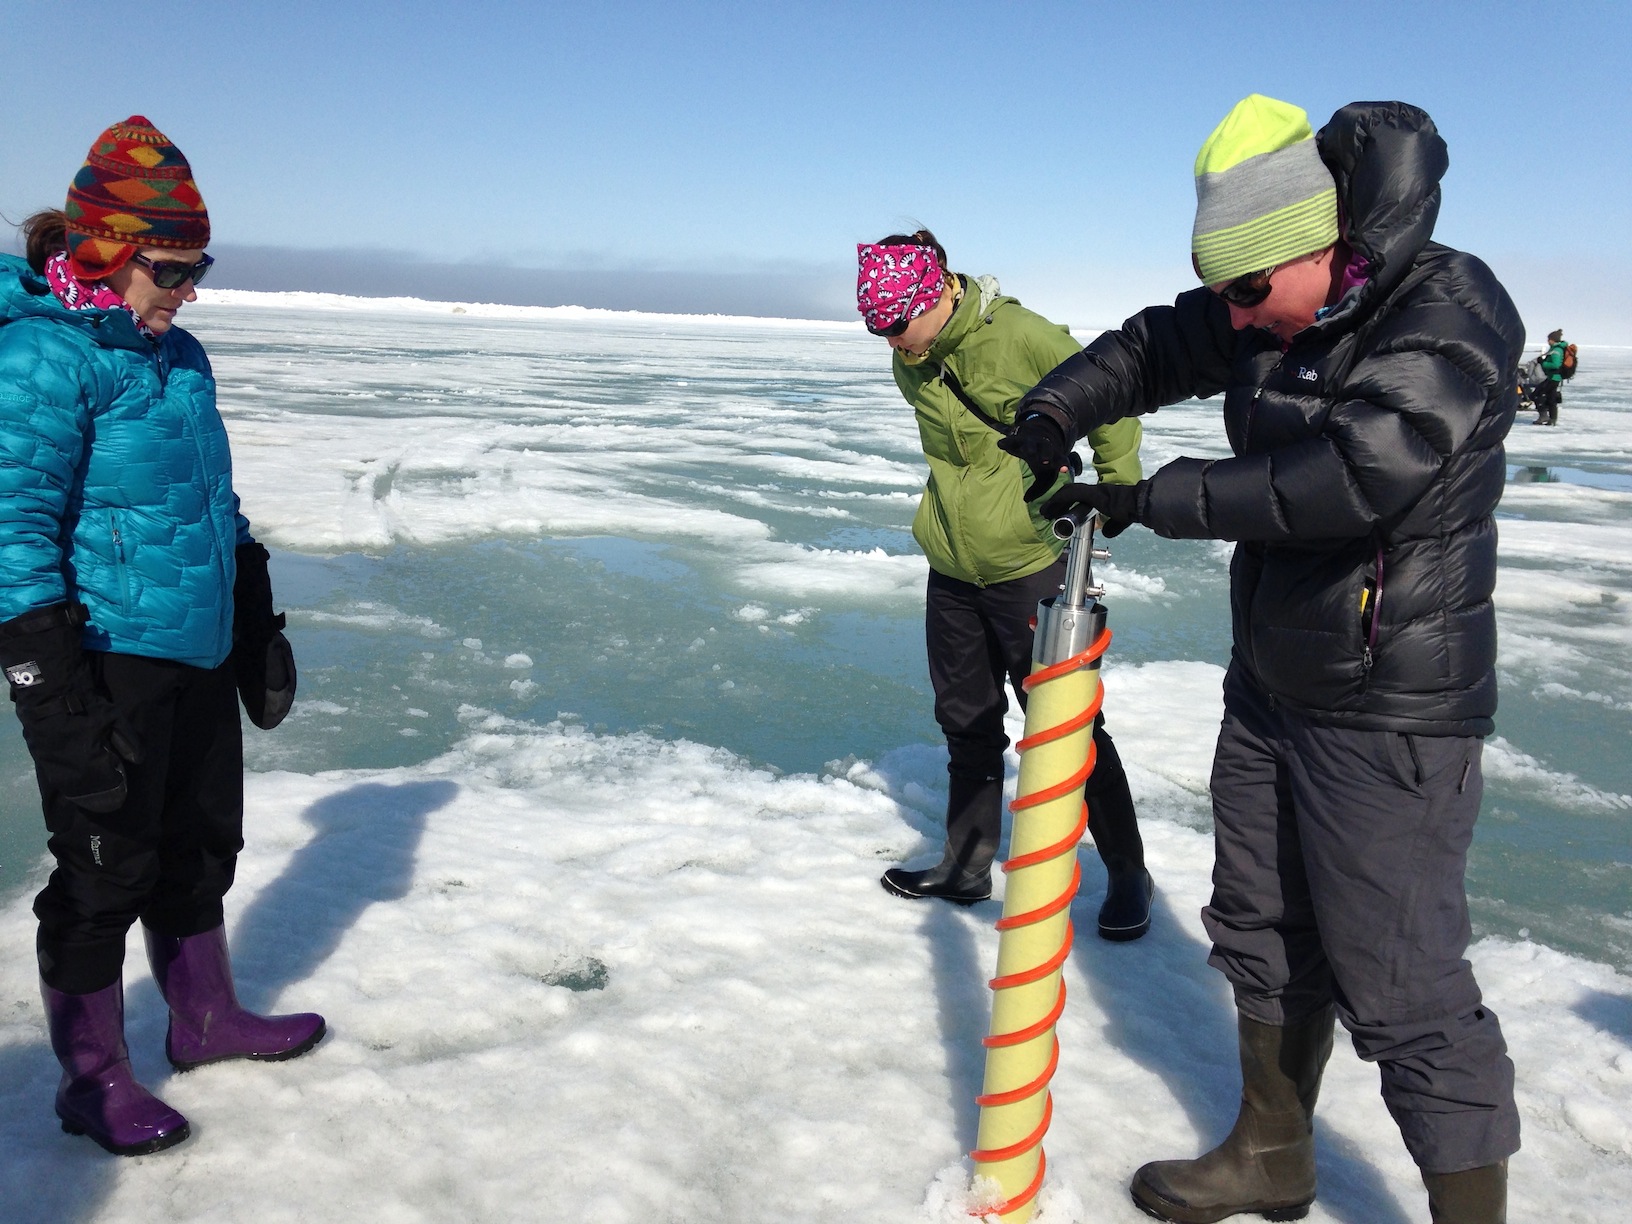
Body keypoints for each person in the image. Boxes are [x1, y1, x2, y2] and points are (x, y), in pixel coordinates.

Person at [1001, 97, 1520, 1222]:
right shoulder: (1272, 305)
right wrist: (1054, 412)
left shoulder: (1450, 306)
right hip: (1275, 684)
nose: (1240, 319)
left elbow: (1362, 473)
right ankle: (1273, 1157)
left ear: (1313, 248)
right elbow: (1153, 344)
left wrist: (1155, 497)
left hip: (1391, 708)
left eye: (1249, 292)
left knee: (1404, 985)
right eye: (1227, 294)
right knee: (1263, 932)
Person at [0, 117, 322, 1157]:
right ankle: (91, 1080)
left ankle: (206, 1019)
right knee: (104, 863)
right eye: (173, 268)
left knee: (198, 847)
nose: (190, 289)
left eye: (199, 266)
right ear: (103, 252)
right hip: (104, 655)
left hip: (191, 648)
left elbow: (208, 504)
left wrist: (252, 617)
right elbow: (13, 529)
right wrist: (50, 690)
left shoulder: (181, 358)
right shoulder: (46, 361)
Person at [856, 231, 1155, 940]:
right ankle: (966, 866)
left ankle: (1128, 874)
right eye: (879, 330)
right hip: (953, 565)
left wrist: (1119, 488)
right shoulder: (913, 360)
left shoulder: (1019, 335)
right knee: (967, 721)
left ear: (937, 295)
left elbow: (1109, 397)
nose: (895, 342)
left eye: (901, 325)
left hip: (1027, 563)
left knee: (1066, 724)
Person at [1533, 328, 1568, 425]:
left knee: (1537, 394)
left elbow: (1556, 364)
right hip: (1553, 377)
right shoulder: (1556, 349)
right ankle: (1552, 419)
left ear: (1553, 340)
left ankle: (1544, 416)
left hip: (1553, 378)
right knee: (1551, 398)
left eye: (1549, 339)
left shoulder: (1556, 350)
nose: (1548, 341)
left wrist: (1543, 363)